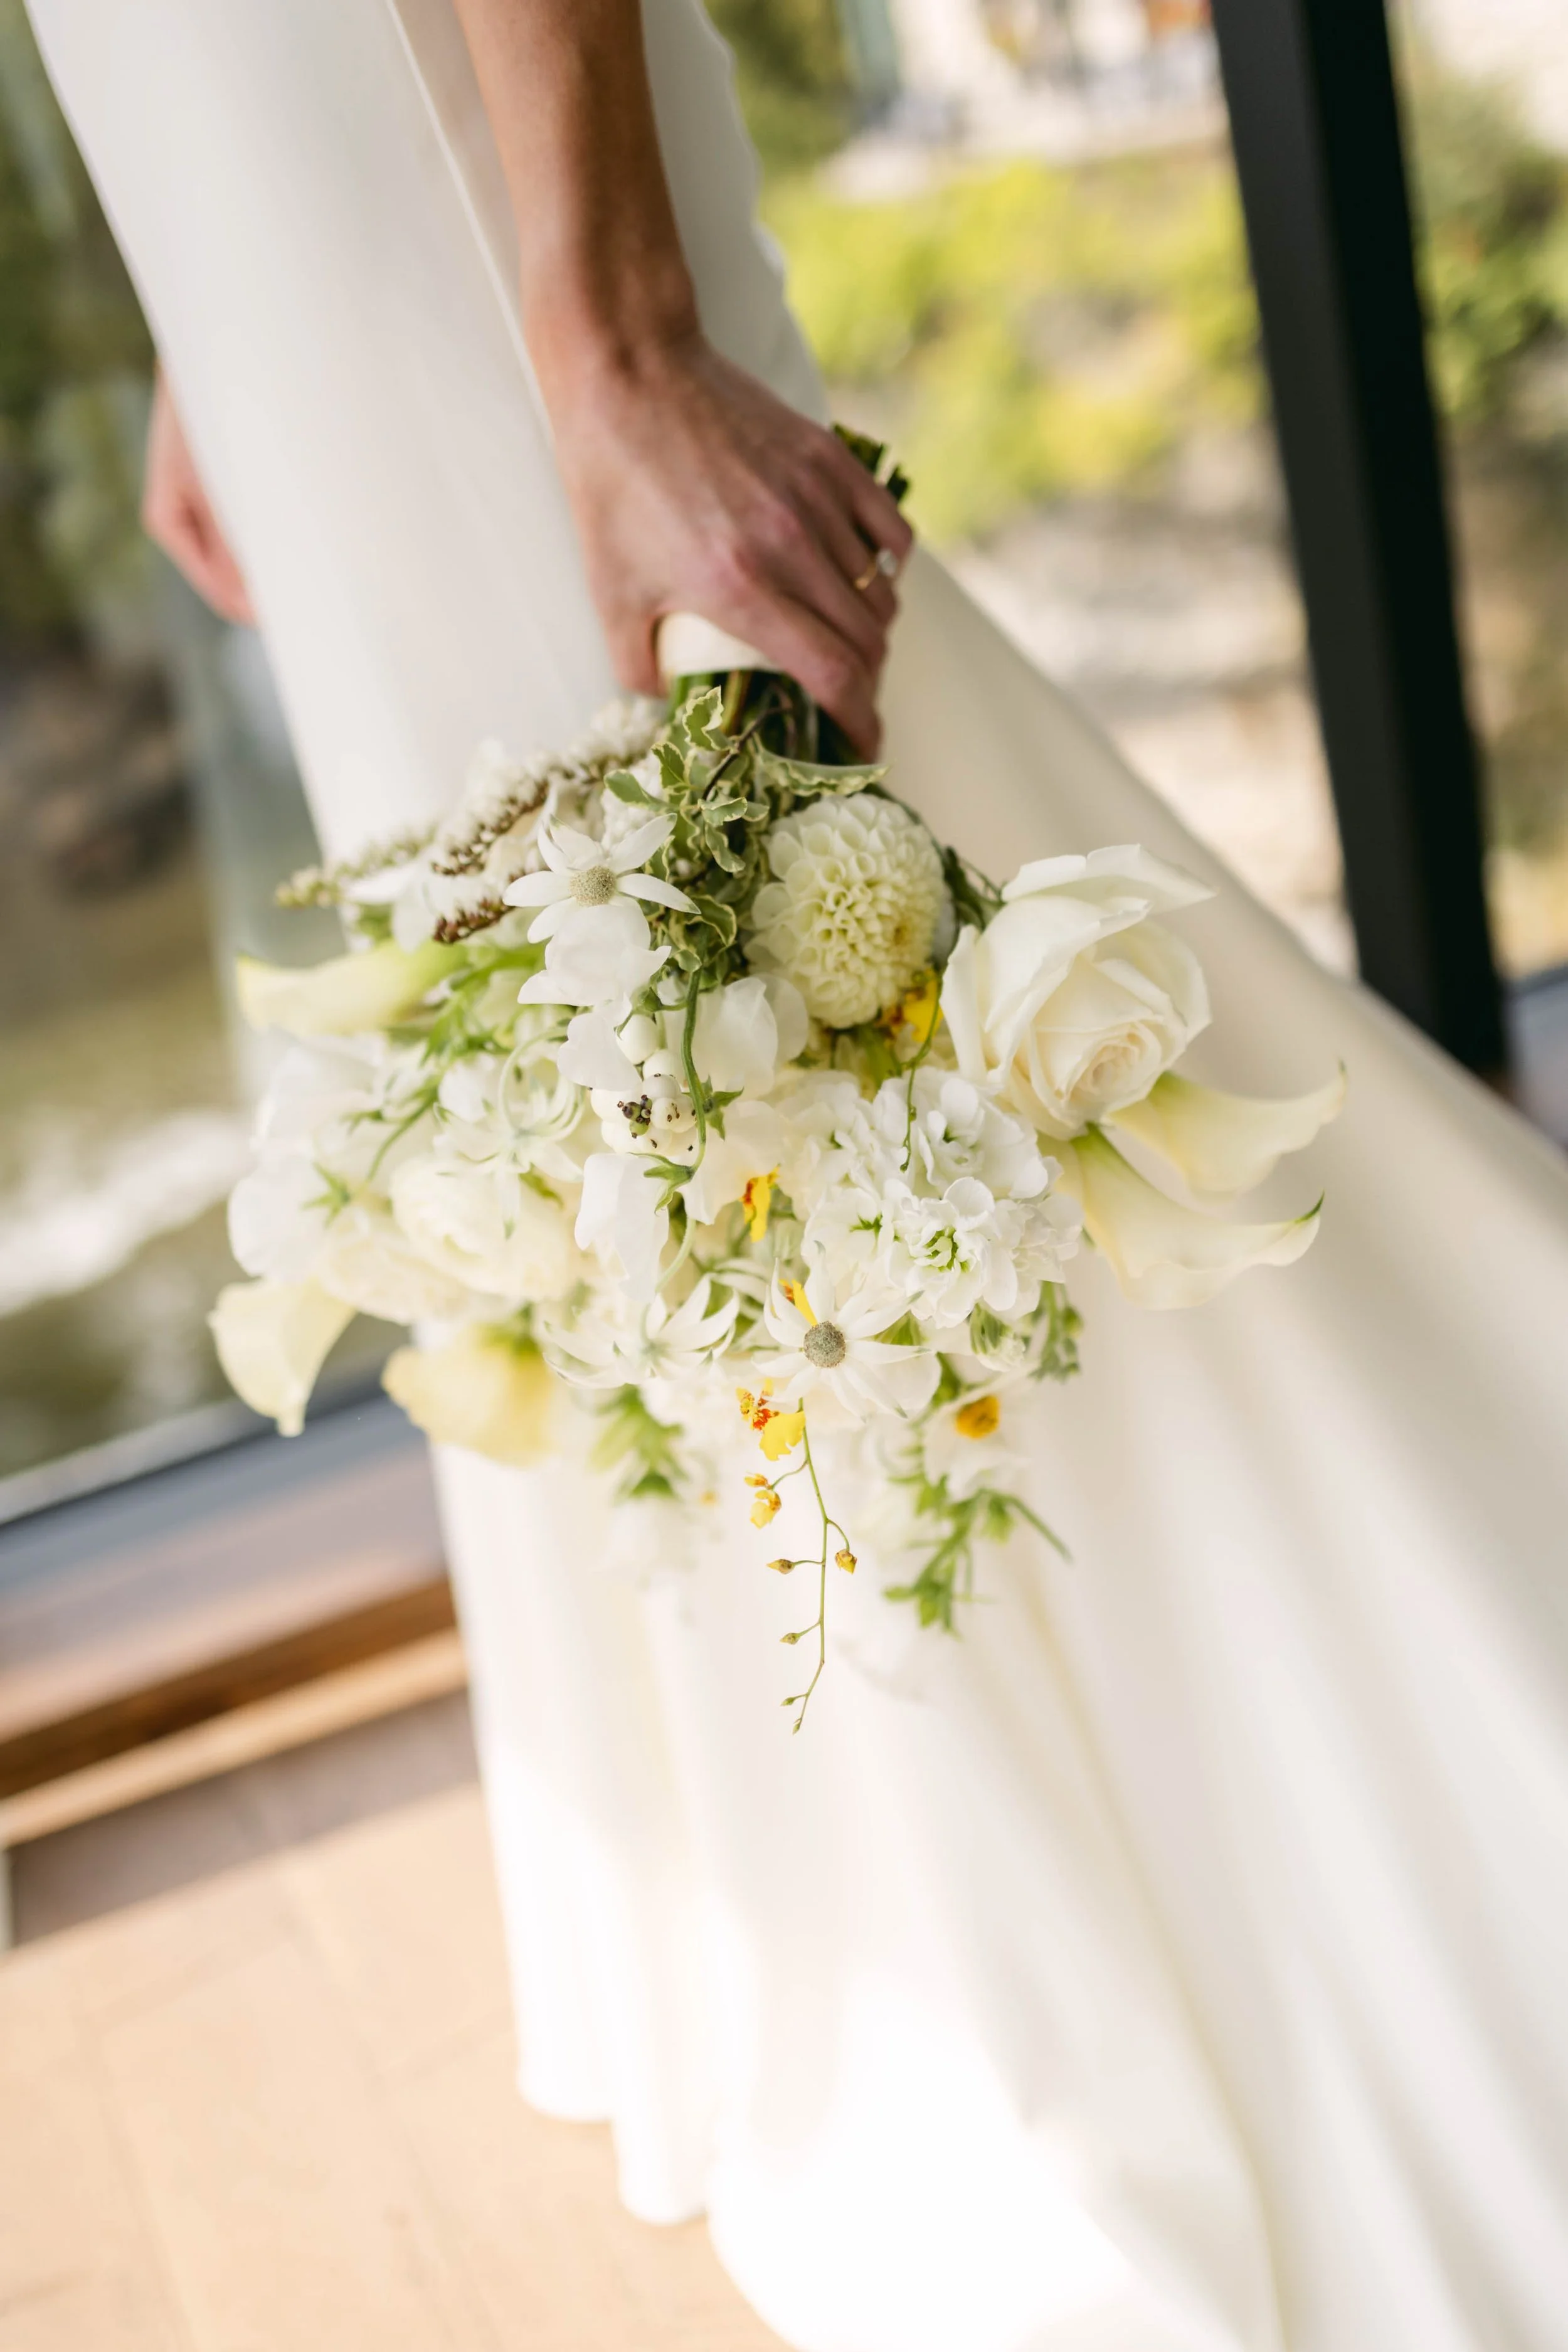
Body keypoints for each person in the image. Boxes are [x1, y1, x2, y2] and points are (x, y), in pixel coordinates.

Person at [29, 2, 1568, 2346]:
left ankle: (1051, 1912)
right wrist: (198, 289)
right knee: (577, 970)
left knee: (741, 946)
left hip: (469, 158)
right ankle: (799, 1896)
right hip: (251, 136)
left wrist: (617, 331)